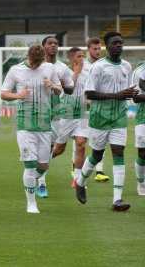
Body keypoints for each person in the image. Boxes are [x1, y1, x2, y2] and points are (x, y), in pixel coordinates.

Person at [75, 32, 136, 211]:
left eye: (121, 43)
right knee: (97, 155)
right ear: (107, 47)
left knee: (118, 152)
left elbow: (128, 90)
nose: (119, 46)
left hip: (119, 117)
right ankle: (80, 181)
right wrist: (117, 95)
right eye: (115, 43)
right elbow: (89, 93)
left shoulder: (126, 66)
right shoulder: (98, 67)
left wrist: (131, 94)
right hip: (99, 118)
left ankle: (117, 199)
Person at [1, 45, 61, 213]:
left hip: (44, 125)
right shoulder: (15, 70)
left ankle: (29, 183)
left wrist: (53, 86)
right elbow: (4, 93)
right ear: (28, 57)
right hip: (25, 125)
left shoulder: (49, 68)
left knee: (43, 167)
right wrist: (18, 96)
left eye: (39, 63)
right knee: (29, 165)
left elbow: (60, 90)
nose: (36, 66)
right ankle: (31, 203)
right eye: (34, 62)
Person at [36, 36, 74, 198]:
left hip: (57, 112)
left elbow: (70, 88)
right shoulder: (36, 66)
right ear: (43, 46)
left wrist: (65, 85)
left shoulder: (63, 68)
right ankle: (41, 183)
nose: (53, 46)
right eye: (50, 43)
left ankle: (36, 172)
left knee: (53, 148)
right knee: (43, 147)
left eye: (56, 44)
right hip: (38, 112)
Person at [52, 47, 89, 187]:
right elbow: (67, 89)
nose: (82, 59)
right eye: (79, 56)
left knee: (81, 144)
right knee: (59, 149)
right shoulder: (63, 73)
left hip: (82, 115)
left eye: (83, 56)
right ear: (72, 59)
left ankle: (78, 180)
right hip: (65, 116)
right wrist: (77, 73)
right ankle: (41, 165)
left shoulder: (87, 74)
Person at [82, 38, 110, 182]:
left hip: (99, 108)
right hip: (83, 109)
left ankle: (99, 171)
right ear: (88, 49)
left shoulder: (104, 65)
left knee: (101, 140)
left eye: (99, 49)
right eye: (95, 49)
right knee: (80, 140)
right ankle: (76, 166)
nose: (98, 51)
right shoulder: (82, 65)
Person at [131, 61, 145, 195]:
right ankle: (141, 183)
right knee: (142, 153)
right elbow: (135, 98)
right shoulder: (139, 71)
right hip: (143, 117)